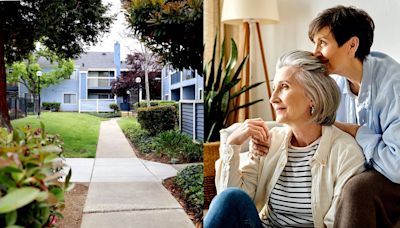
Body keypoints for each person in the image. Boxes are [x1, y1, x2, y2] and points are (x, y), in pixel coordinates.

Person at [203, 50, 365, 228]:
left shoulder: (345, 152)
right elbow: (232, 206)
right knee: (229, 197)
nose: (272, 99)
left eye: (284, 87)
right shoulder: (270, 141)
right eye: (274, 88)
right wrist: (232, 145)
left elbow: (337, 222)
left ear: (313, 97)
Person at [309, 5, 400, 227]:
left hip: (392, 177)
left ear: (352, 45)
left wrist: (357, 132)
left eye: (323, 43)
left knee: (356, 189)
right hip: (362, 167)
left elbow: (397, 167)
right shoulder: (336, 85)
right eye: (315, 43)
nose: (315, 52)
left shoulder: (393, 85)